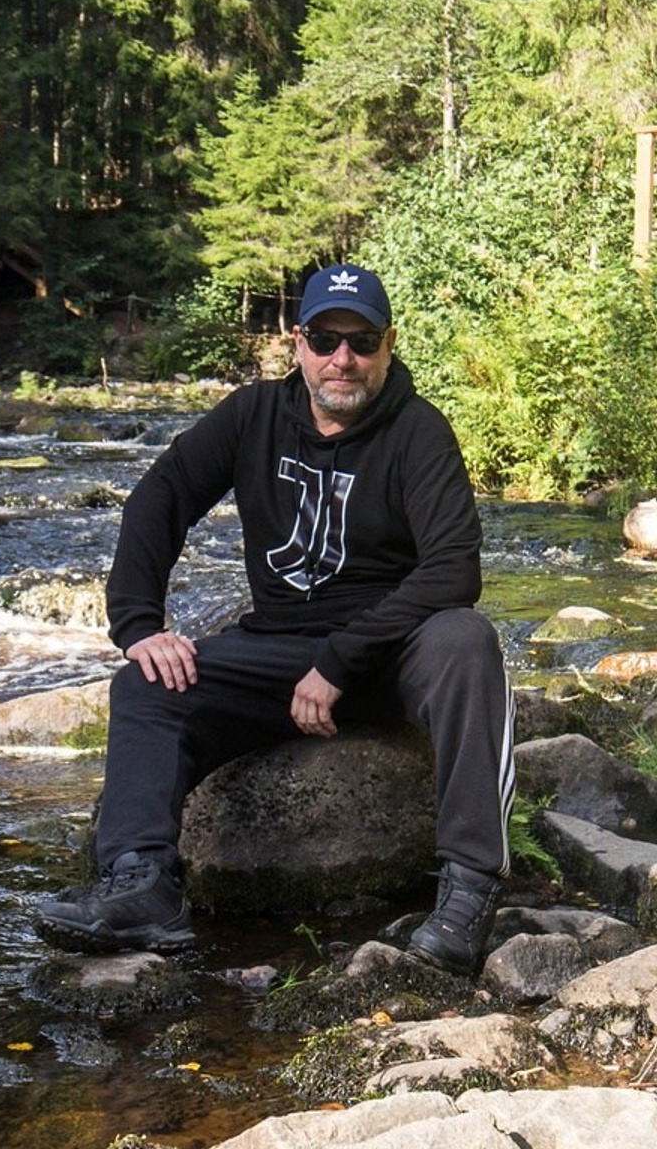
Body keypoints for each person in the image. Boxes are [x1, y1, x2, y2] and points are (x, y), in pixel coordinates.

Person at [33, 263, 516, 976]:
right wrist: (137, 623)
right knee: (145, 685)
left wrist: (339, 662)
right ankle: (143, 886)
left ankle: (468, 893)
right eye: (325, 338)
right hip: (276, 650)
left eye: (361, 340)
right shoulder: (253, 415)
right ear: (298, 343)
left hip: (388, 658)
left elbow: (453, 573)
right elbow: (158, 497)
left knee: (466, 640)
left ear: (389, 345)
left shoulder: (419, 432)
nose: (341, 358)